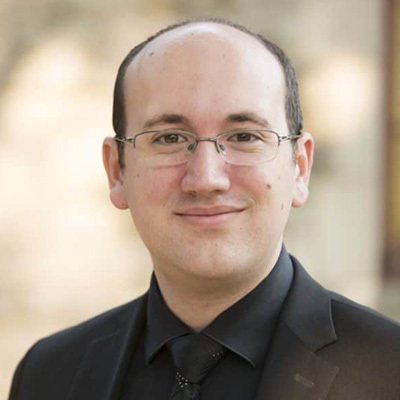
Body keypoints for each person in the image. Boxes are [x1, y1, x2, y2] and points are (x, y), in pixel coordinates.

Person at [8, 17, 400, 400]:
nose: (207, 179)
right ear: (116, 171)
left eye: (245, 135)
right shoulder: (48, 374)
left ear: (299, 167)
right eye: (169, 138)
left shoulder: (390, 371)